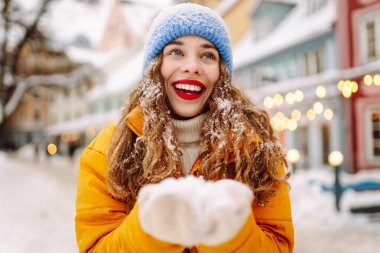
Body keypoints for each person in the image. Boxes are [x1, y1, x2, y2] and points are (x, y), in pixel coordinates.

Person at [75, 3, 294, 253]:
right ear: (155, 66)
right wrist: (150, 230)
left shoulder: (255, 148)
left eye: (207, 55)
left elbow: (278, 247)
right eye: (176, 53)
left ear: (222, 73)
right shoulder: (106, 151)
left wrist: (232, 234)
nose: (192, 66)